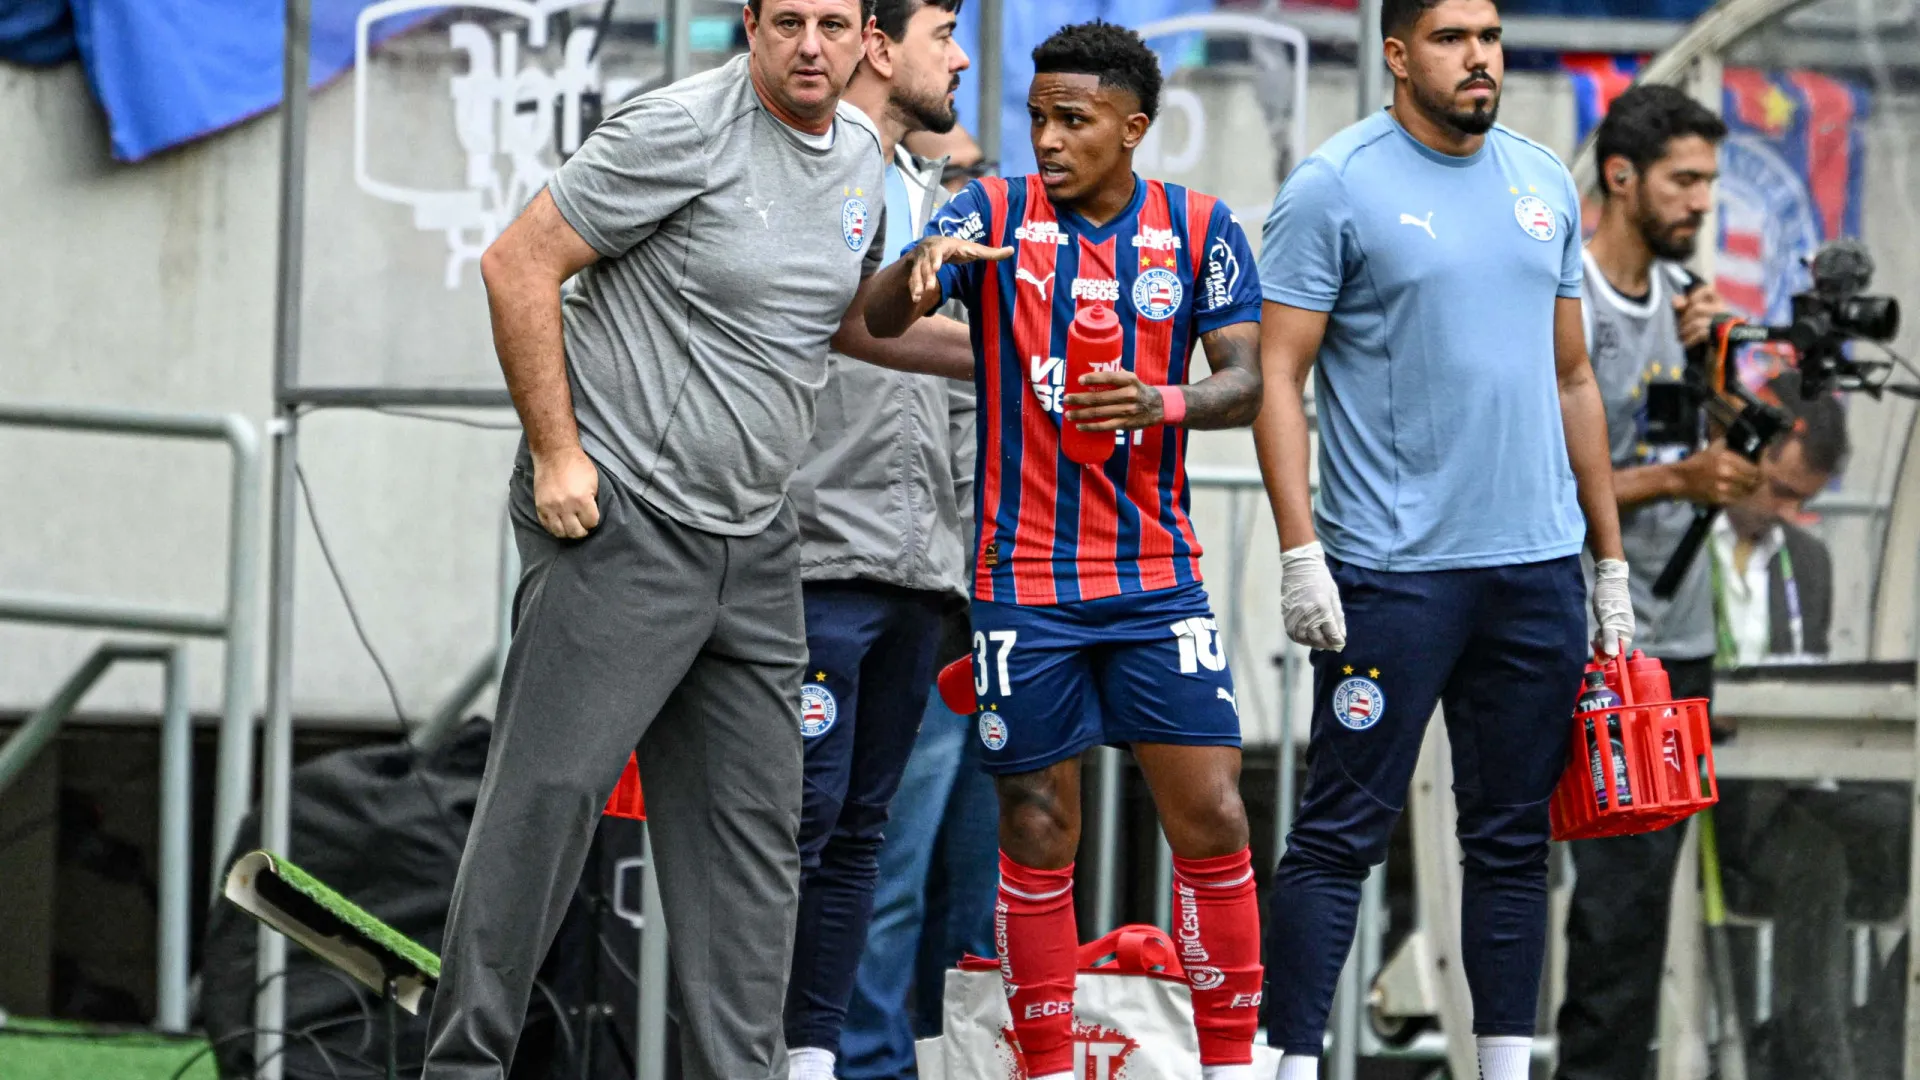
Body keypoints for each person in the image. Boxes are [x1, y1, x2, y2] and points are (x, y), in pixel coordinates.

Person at [423, 2, 973, 1077]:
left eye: (830, 23)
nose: (808, 46)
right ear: (751, 28)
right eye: (786, 22)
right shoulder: (676, 130)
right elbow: (516, 266)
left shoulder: (861, 152)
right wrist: (556, 455)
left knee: (755, 846)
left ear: (863, 38)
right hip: (627, 518)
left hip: (760, 541)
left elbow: (841, 320)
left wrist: (960, 327)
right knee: (544, 806)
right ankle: (461, 1067)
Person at [865, 21, 1269, 1079]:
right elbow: (871, 313)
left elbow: (1249, 383)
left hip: (1154, 580)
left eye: (1073, 121)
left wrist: (1160, 399)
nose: (1047, 138)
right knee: (1039, 821)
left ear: (1133, 130)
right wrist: (918, 270)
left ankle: (1228, 1065)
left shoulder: (1200, 228)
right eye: (1039, 117)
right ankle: (1042, 1065)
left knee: (1215, 812)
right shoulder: (991, 213)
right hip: (1021, 580)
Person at [1250, 0, 1635, 1074]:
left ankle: (1505, 1066)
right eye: (1455, 37)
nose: (1481, 58)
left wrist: (1606, 562)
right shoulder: (1335, 183)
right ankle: (1290, 1064)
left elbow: (1572, 377)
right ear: (1398, 52)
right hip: (1392, 572)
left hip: (1534, 571)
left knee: (1513, 845)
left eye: (1493, 36)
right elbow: (1279, 375)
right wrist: (1298, 547)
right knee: (1338, 838)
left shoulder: (1542, 178)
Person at [782, 3, 973, 1077]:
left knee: (870, 847)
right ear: (879, 47)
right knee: (794, 842)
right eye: (944, 32)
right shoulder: (803, 175)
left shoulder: (929, 195)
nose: (959, 58)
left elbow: (957, 405)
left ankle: (830, 1064)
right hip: (808, 566)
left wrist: (977, 560)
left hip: (923, 579)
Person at [1553, 83, 1748, 1080]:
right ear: (1621, 177)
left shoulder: (1683, 303)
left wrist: (1723, 378)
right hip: (1589, 638)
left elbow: (1717, 455)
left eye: (1710, 181)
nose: (1702, 201)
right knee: (1602, 900)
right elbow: (1552, 475)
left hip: (1676, 636)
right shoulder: (1571, 295)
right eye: (1685, 180)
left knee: (1641, 906)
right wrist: (1675, 476)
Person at [837, 123, 1004, 1080]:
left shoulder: (990, 301)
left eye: (980, 176)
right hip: (923, 620)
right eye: (957, 180)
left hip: (1000, 636)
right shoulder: (897, 297)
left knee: (982, 895)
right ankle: (867, 1068)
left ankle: (964, 1065)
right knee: (885, 881)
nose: (976, 200)